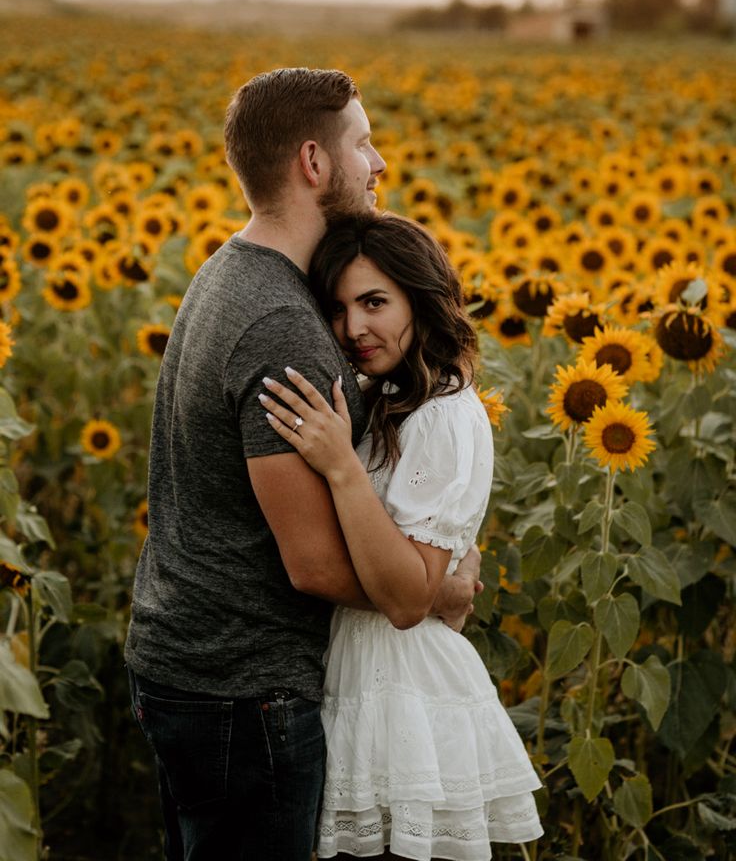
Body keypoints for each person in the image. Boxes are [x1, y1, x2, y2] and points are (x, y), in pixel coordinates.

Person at [124, 68, 481, 861]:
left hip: (193, 665)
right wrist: (433, 587)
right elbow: (316, 565)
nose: (379, 162)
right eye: (363, 144)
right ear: (314, 163)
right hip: (240, 687)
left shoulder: (232, 272)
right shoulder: (281, 324)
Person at [258, 211, 544, 861]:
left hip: (408, 701)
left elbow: (408, 599)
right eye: (338, 308)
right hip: (367, 682)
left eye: (374, 302)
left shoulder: (443, 415)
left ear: (422, 298)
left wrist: (340, 467)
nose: (354, 328)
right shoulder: (390, 398)